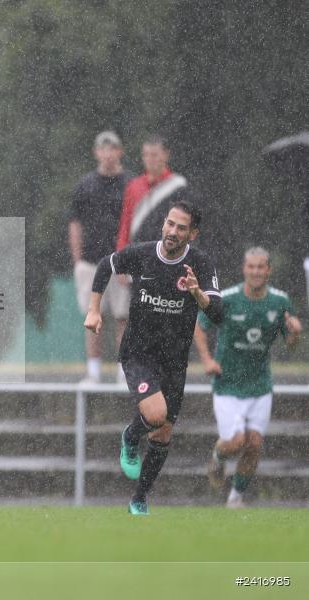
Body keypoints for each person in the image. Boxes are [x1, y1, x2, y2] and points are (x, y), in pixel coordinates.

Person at [84, 201, 223, 515]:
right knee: (156, 414)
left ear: (193, 233)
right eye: (169, 224)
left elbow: (217, 313)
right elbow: (106, 264)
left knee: (163, 433)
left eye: (181, 227)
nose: (172, 231)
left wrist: (197, 293)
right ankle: (130, 436)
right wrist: (94, 309)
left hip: (174, 361)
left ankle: (139, 498)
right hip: (138, 352)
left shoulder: (201, 264)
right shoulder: (143, 253)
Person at [194, 247, 301, 508]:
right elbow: (200, 325)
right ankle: (218, 458)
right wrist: (207, 359)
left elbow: (290, 344)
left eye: (261, 267)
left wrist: (295, 334)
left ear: (269, 270)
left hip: (260, 385)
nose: (255, 271)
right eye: (251, 267)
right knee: (235, 442)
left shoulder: (280, 301)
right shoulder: (228, 298)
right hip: (228, 383)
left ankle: (235, 499)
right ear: (244, 269)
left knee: (254, 444)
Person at [69, 131, 132, 383]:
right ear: (96, 152)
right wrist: (78, 261)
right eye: (103, 149)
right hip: (91, 262)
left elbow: (135, 223)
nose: (108, 154)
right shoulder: (85, 185)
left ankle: (123, 371)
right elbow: (75, 223)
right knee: (93, 318)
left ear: (120, 151)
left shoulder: (131, 184)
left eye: (112, 149)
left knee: (123, 317)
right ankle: (93, 372)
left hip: (121, 263)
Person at [116, 135, 191, 251]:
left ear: (166, 155)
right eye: (146, 155)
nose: (150, 159)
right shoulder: (134, 186)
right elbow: (125, 227)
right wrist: (120, 255)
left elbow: (185, 224)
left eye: (154, 155)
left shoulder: (177, 186)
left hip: (168, 252)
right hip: (138, 253)